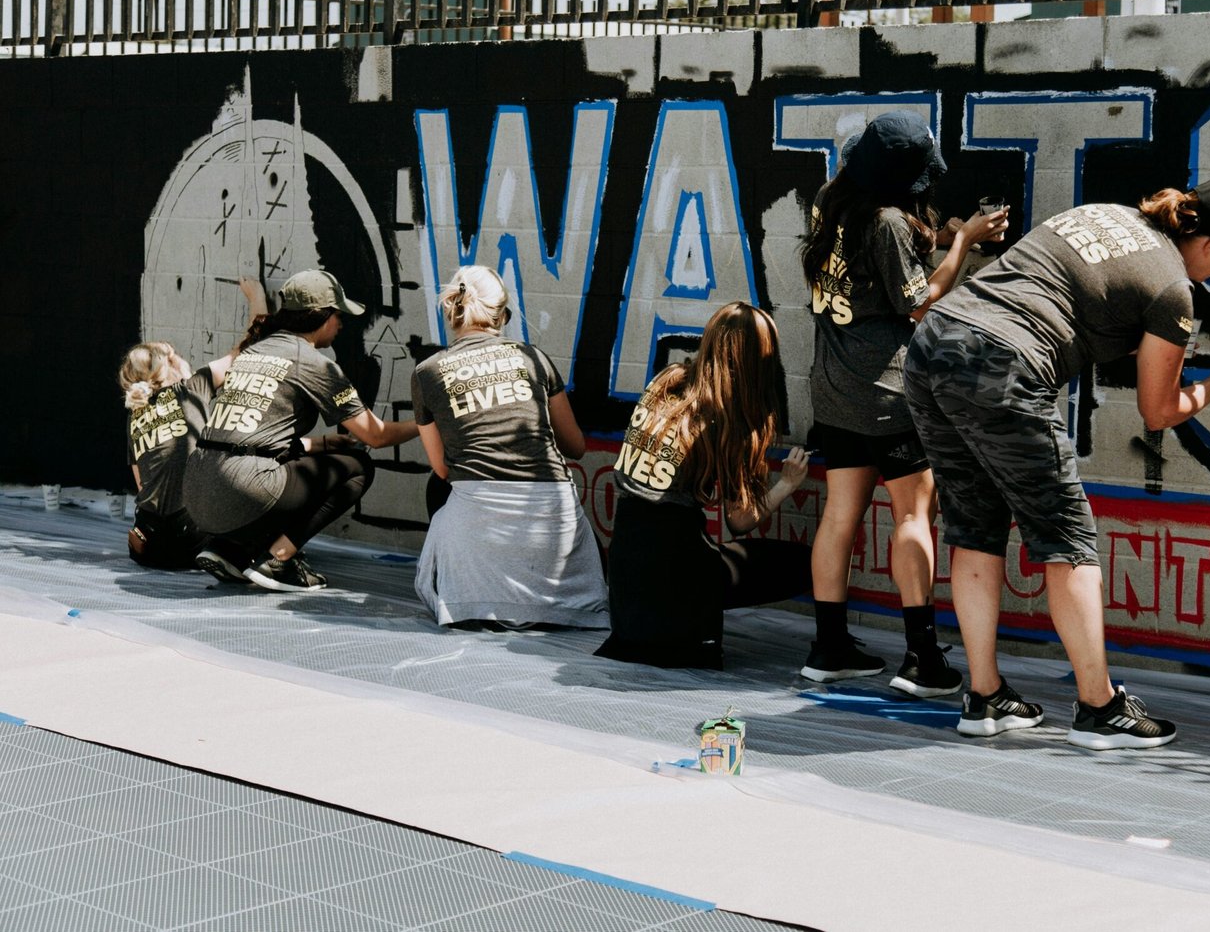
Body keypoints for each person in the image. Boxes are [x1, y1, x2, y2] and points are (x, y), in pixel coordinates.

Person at [903, 179, 1210, 748]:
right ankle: (1099, 707)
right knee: (1067, 540)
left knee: (975, 528)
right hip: (1005, 364)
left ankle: (986, 697)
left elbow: (1081, 297)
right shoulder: (1173, 287)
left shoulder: (1103, 212)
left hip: (934, 346)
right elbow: (1158, 410)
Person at [798, 111, 1008, 696]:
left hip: (834, 393)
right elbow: (922, 302)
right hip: (890, 398)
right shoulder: (888, 222)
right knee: (913, 516)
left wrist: (948, 234)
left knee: (840, 516)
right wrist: (963, 241)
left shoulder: (832, 201)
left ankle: (829, 646)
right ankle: (920, 659)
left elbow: (883, 249)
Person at [595, 301, 811, 669]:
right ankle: (833, 649)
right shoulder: (732, 417)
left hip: (626, 581)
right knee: (807, 562)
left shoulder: (667, 381)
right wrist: (786, 484)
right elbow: (740, 522)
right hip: (678, 582)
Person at [184, 268, 419, 592]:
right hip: (242, 487)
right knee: (355, 466)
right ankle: (278, 561)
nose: (340, 324)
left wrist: (321, 444)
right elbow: (375, 436)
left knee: (276, 469)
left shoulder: (255, 351)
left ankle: (230, 548)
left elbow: (253, 437)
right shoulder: (313, 363)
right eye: (338, 315)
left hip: (197, 492)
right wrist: (426, 422)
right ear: (322, 317)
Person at [410, 266, 608, 630]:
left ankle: (472, 581)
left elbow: (442, 468)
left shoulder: (427, 372)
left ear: (452, 313)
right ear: (502, 316)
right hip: (553, 520)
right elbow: (575, 447)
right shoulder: (534, 358)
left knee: (439, 484)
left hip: (479, 522)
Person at [119, 280, 269, 570]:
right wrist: (257, 298)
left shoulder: (135, 415)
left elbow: (143, 485)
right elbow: (250, 349)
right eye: (176, 356)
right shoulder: (191, 388)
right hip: (189, 541)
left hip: (147, 546)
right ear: (171, 369)